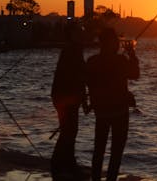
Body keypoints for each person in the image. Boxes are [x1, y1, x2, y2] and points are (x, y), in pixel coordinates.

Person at [86, 28, 140, 181]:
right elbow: (135, 74)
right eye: (116, 40)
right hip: (119, 112)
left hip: (100, 111)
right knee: (116, 151)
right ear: (109, 43)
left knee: (99, 149)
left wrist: (91, 102)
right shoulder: (120, 60)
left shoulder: (92, 61)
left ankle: (95, 178)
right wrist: (132, 53)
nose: (118, 43)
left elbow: (88, 83)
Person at [50, 22, 89, 179]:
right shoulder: (73, 49)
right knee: (69, 131)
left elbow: (80, 76)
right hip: (66, 96)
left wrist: (83, 99)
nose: (82, 33)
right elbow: (80, 75)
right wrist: (84, 99)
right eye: (79, 31)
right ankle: (63, 165)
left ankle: (64, 163)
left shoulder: (70, 48)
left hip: (64, 95)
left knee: (68, 130)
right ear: (72, 34)